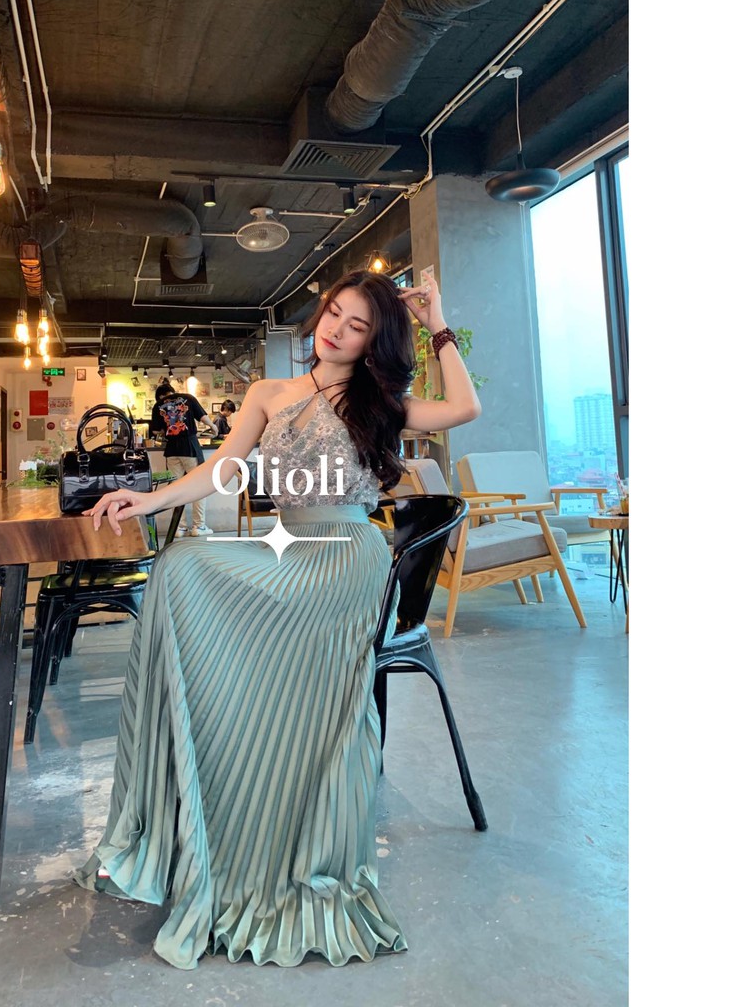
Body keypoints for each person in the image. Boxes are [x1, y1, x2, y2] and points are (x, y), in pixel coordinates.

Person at [74, 268, 480, 968]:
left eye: (357, 325)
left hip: (346, 561)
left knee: (291, 680)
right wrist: (149, 500)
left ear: (373, 340)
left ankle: (293, 840)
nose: (338, 330)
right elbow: (222, 470)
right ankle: (216, 806)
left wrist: (437, 321)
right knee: (179, 568)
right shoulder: (268, 393)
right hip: (287, 549)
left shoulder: (380, 401)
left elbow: (466, 407)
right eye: (334, 313)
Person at [147, 383, 218, 536]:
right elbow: (203, 418)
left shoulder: (158, 405)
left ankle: (179, 527)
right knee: (199, 486)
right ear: (172, 391)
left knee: (176, 488)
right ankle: (199, 526)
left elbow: (156, 431)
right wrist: (214, 427)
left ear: (159, 396)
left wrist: (166, 428)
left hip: (172, 450)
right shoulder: (187, 398)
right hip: (190, 448)